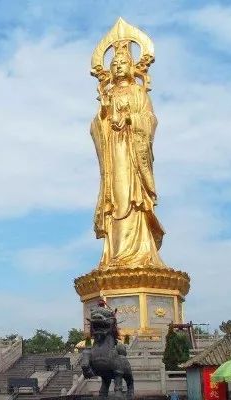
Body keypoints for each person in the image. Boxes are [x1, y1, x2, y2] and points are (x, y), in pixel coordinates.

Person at [91, 39, 166, 269]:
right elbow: (96, 127)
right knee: (115, 200)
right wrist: (104, 112)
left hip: (132, 154)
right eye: (114, 63)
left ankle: (140, 253)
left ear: (132, 65)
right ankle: (115, 255)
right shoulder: (109, 96)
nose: (118, 66)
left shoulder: (138, 92)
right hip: (114, 153)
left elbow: (150, 119)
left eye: (123, 62)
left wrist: (132, 119)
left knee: (133, 200)